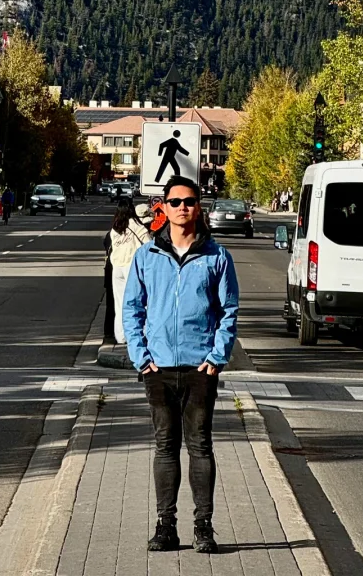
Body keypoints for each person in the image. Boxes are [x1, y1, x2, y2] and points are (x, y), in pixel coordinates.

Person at [122, 176, 239, 556]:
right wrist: (142, 357)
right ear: (164, 208)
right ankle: (165, 526)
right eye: (175, 202)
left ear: (198, 207)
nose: (182, 208)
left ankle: (203, 528)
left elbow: (229, 311)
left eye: (189, 201)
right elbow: (132, 310)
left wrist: (216, 357)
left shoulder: (217, 256)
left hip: (198, 368)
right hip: (158, 369)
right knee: (164, 447)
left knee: (200, 446)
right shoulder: (146, 256)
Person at [109, 199, 151, 344]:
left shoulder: (115, 228)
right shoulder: (137, 226)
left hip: (117, 267)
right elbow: (149, 247)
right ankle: (141, 333)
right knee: (138, 302)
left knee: (119, 303)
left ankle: (120, 336)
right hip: (131, 267)